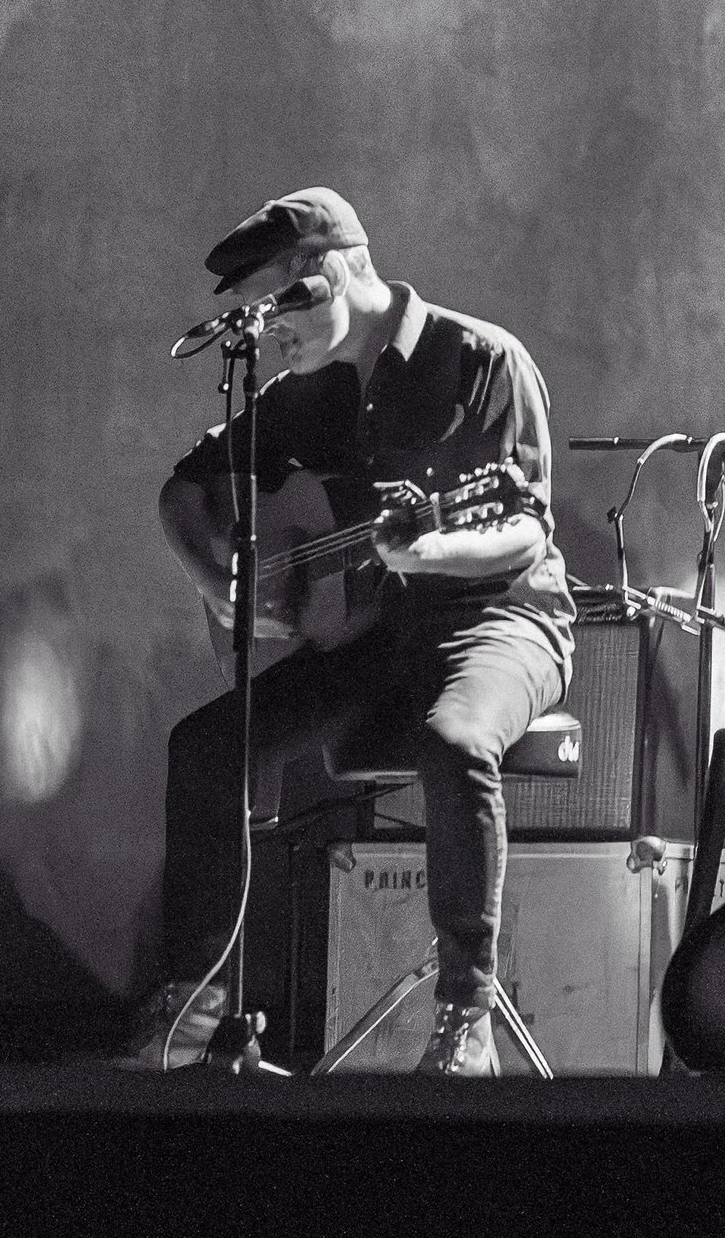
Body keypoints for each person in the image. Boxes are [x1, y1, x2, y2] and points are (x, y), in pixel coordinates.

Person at [141, 188, 575, 1076]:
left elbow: (527, 530)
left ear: (326, 274)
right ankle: (199, 1007)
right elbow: (182, 489)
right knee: (207, 747)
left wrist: (432, 550)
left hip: (502, 618)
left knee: (454, 739)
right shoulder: (308, 394)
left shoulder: (481, 358)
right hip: (378, 638)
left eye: (276, 309)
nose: (269, 334)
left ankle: (467, 1015)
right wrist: (217, 581)